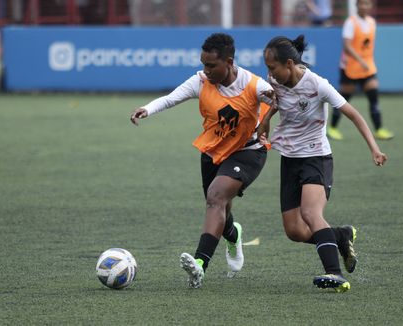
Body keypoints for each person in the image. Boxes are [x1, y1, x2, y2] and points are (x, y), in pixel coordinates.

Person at [130, 33, 274, 288]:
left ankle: (199, 264)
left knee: (215, 197)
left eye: (211, 65)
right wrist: (148, 109)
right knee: (219, 209)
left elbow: (278, 100)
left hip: (248, 151)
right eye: (203, 64)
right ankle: (233, 234)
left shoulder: (254, 85)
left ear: (229, 62)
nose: (205, 71)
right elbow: (171, 98)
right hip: (212, 152)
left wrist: (271, 113)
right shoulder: (200, 81)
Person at [258, 35, 387, 292]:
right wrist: (266, 120)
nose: (268, 73)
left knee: (311, 214)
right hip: (290, 160)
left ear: (290, 63)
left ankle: (334, 273)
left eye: (272, 67)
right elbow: (277, 101)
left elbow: (353, 114)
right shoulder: (277, 80)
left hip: (316, 158)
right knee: (294, 231)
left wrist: (374, 148)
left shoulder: (318, 85)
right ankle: (339, 235)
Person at [327, 0, 394, 141]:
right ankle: (332, 128)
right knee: (343, 100)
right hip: (350, 67)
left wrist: (366, 61)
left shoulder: (371, 22)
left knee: (373, 96)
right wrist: (360, 60)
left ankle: (379, 129)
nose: (364, 6)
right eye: (361, 4)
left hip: (368, 67)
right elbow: (347, 46)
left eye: (367, 4)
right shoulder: (351, 23)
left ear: (370, 6)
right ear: (357, 6)